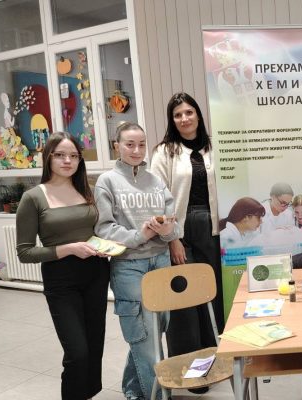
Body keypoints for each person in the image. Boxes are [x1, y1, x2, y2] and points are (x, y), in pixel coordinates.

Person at [16, 132, 110, 400]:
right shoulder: (33, 198)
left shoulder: (87, 190)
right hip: (61, 280)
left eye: (73, 156)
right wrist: (69, 248)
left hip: (96, 273)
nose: (67, 161)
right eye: (60, 155)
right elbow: (24, 252)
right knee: (77, 352)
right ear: (48, 157)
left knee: (94, 346)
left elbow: (99, 229)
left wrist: (105, 245)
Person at [95, 122, 180, 400]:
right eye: (129, 144)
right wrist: (139, 235)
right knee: (143, 336)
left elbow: (174, 225)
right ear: (116, 146)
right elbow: (104, 229)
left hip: (161, 262)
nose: (136, 150)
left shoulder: (155, 181)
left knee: (155, 330)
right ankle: (159, 396)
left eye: (142, 144)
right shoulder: (107, 181)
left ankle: (134, 390)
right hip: (129, 266)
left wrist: (167, 230)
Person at [149, 92, 222, 395]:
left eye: (189, 112)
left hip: (213, 229)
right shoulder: (164, 151)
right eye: (177, 115)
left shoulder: (214, 146)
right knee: (185, 301)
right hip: (180, 230)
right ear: (172, 120)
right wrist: (172, 239)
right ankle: (189, 373)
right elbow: (157, 198)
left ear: (198, 115)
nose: (184, 119)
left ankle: (211, 364)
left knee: (211, 296)